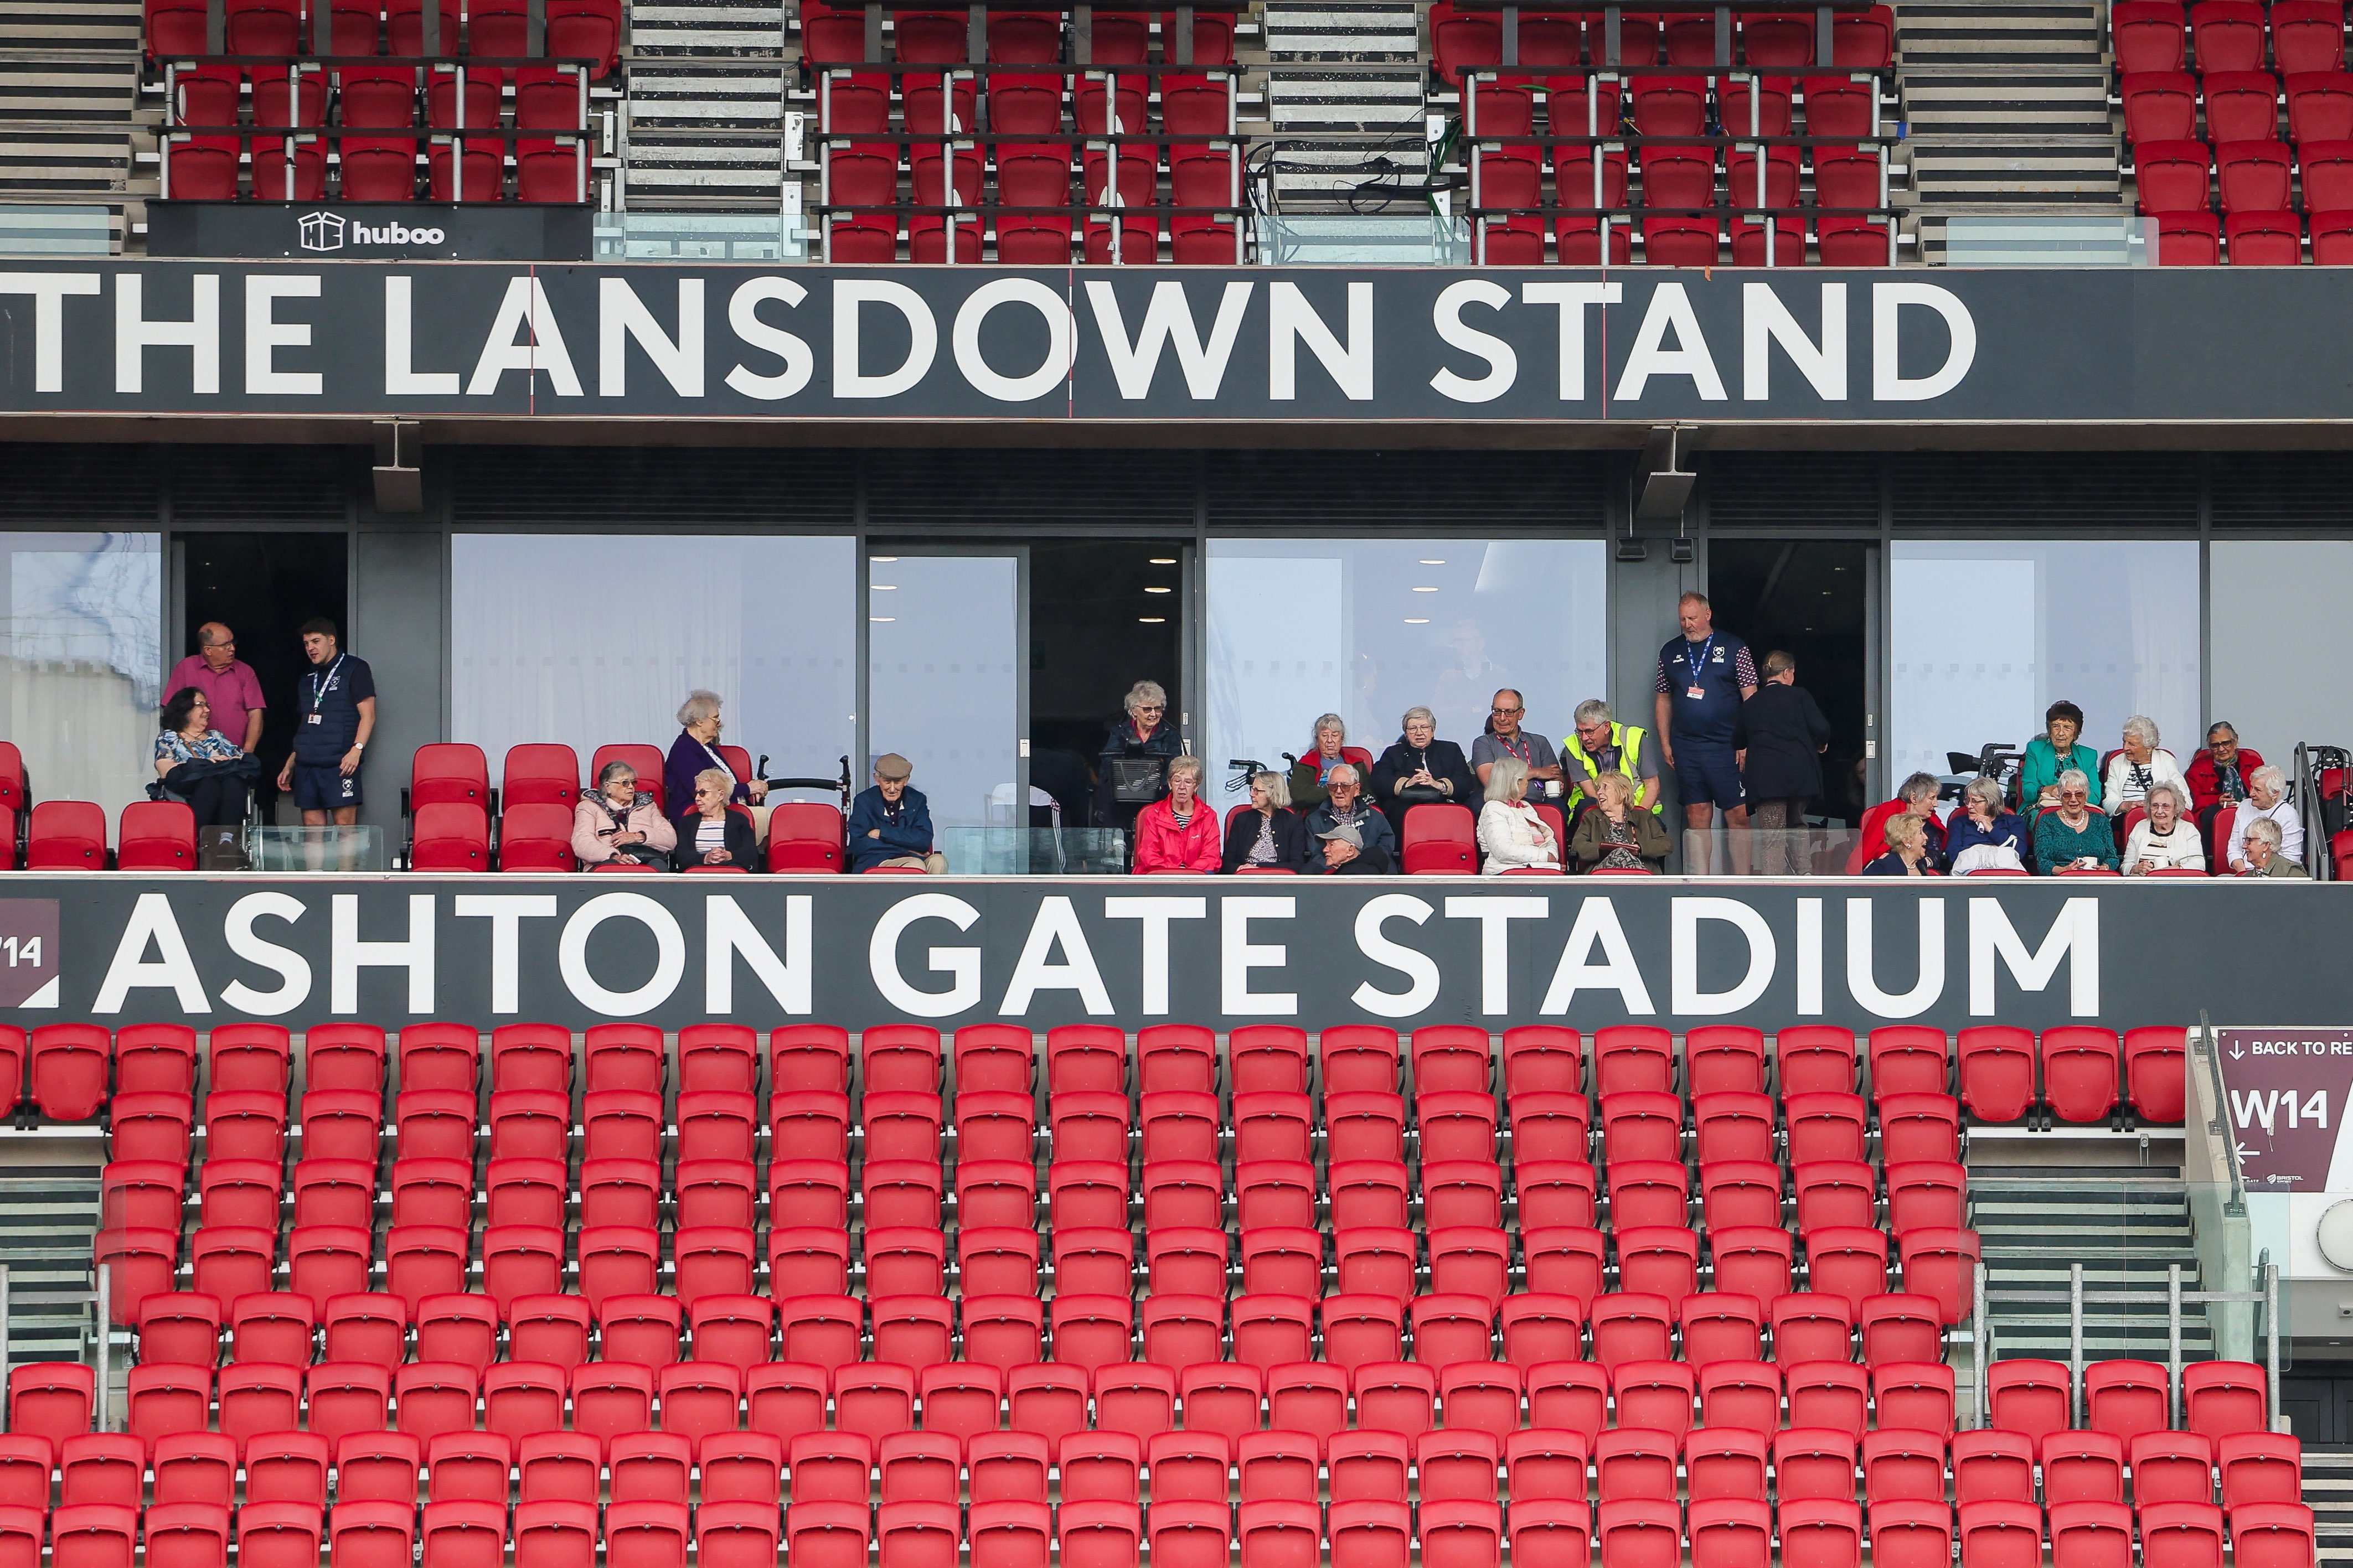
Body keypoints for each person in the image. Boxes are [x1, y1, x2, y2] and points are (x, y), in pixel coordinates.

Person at [1653, 591, 1758, 870]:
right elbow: (1663, 699)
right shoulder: (1670, 651)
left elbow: (1751, 698)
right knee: (1697, 814)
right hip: (1687, 746)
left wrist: (1747, 741)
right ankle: (1701, 881)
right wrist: (1665, 743)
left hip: (1728, 746)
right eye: (1683, 620)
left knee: (1739, 815)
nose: (1688, 625)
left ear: (1708, 615)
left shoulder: (1735, 647)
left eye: (1693, 618)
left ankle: (1743, 881)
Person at [1738, 651, 1830, 876]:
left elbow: (1737, 739)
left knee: (1773, 834)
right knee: (1798, 825)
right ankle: (1804, 875)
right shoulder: (1800, 696)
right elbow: (1821, 728)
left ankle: (1774, 883)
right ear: (1787, 673)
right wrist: (1821, 743)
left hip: (1766, 778)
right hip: (1799, 773)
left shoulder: (1751, 703)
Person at [274, 618, 374, 827]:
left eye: (316, 641)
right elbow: (306, 725)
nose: (310, 648)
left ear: (332, 640)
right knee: (312, 832)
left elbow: (368, 715)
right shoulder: (307, 678)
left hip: (340, 764)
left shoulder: (355, 668)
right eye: (306, 644)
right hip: (307, 766)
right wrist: (290, 763)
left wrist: (356, 750)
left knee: (345, 830)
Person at [1369, 706, 1477, 840]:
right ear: (1406, 733)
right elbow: (1379, 780)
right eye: (1413, 728)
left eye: (1424, 727)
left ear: (1433, 730)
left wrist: (1439, 785)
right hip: (1403, 807)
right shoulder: (1393, 753)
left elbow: (1465, 780)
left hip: (1444, 803)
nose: (1419, 733)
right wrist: (1407, 783)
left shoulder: (1451, 749)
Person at [154, 687, 256, 826]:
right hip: (190, 795)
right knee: (210, 784)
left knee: (235, 781)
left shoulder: (216, 736)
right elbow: (166, 770)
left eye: (207, 705)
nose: (207, 710)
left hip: (227, 789)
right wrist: (212, 765)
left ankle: (228, 837)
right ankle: (196, 836)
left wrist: (212, 767)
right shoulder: (169, 737)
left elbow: (243, 762)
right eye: (200, 705)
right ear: (184, 708)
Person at [665, 691, 767, 824]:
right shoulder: (683, 750)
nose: (719, 724)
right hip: (702, 818)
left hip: (730, 811)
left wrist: (754, 788)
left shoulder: (707, 747)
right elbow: (707, 791)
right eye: (715, 718)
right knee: (780, 819)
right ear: (699, 721)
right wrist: (749, 788)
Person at [163, 622, 265, 753]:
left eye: (233, 642)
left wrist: (248, 751)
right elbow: (171, 711)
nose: (232, 648)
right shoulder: (185, 668)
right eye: (226, 645)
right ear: (208, 650)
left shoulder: (245, 672)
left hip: (236, 756)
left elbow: (255, 713)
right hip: (194, 755)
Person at [1100, 679, 1184, 834]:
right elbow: (1108, 761)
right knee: (1107, 783)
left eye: (1158, 709)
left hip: (1157, 792)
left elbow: (1175, 765)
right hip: (1124, 791)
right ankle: (1115, 837)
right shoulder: (1120, 731)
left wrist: (1161, 780)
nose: (1153, 714)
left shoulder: (1171, 734)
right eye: (1147, 709)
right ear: (1134, 711)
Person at [849, 753, 948, 874]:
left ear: (906, 780)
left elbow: (924, 840)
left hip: (914, 858)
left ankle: (932, 888)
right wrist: (907, 850)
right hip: (876, 861)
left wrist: (882, 834)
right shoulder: (864, 801)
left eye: (897, 782)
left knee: (939, 861)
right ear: (877, 779)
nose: (892, 789)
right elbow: (858, 845)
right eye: (887, 782)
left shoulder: (917, 800)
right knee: (915, 865)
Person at [1561, 698, 1661, 815]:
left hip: (1637, 808)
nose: (1584, 738)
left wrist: (1638, 818)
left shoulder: (1634, 738)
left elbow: (1652, 786)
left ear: (1607, 727)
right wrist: (1615, 817)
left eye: (1589, 732)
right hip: (1597, 810)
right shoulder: (1573, 744)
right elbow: (1590, 792)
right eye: (1579, 731)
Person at [572, 759, 677, 868]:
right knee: (611, 868)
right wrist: (613, 856)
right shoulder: (588, 807)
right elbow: (582, 843)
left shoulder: (648, 806)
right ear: (608, 787)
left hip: (644, 861)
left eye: (633, 782)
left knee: (658, 867)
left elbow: (670, 838)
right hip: (605, 863)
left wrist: (639, 837)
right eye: (625, 783)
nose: (631, 787)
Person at [1131, 753, 1221, 873]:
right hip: (1161, 876)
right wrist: (1175, 873)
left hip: (1196, 878)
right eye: (1177, 781)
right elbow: (1149, 854)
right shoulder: (1154, 814)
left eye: (1188, 782)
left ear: (1196, 786)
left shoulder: (1209, 816)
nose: (1182, 787)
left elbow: (1211, 857)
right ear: (1170, 784)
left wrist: (1188, 875)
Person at [1571, 770, 1672, 872]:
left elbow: (1666, 844)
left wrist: (1639, 848)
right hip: (1604, 872)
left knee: (1622, 853)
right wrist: (1606, 849)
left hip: (1640, 870)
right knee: (1619, 853)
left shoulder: (1644, 817)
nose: (1599, 792)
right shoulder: (1591, 817)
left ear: (1622, 792)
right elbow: (1578, 846)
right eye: (1598, 789)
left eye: (1605, 787)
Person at [1305, 763, 1397, 874]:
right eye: (1333, 786)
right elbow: (1317, 856)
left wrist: (1361, 866)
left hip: (1368, 874)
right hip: (1331, 876)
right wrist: (1343, 871)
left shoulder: (1375, 818)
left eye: (1345, 786)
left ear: (1357, 789)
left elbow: (1385, 848)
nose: (1339, 791)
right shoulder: (1314, 820)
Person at [1477, 755, 1562, 873]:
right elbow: (1504, 851)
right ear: (1515, 782)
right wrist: (1546, 857)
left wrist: (1551, 856)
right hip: (1506, 874)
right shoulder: (1492, 809)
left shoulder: (1525, 806)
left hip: (1538, 871)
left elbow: (1549, 839)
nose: (1527, 782)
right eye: (1525, 777)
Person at [1472, 689, 1562, 797]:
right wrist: (1536, 773)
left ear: (1521, 714)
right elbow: (1491, 782)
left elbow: (1556, 775)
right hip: (1502, 802)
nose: (1502, 718)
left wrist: (1560, 785)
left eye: (1509, 712)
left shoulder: (1540, 742)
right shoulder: (1483, 743)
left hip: (1541, 802)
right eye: (1497, 711)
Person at [2018, 700, 2102, 811]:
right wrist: (2046, 789)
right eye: (2056, 726)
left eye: (2067, 727)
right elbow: (2028, 791)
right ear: (2049, 729)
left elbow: (2095, 796)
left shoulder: (2089, 755)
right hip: (2042, 808)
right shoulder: (2035, 750)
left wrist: (2071, 797)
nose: (2061, 733)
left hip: (2078, 808)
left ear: (2076, 732)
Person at [1222, 769, 1311, 873]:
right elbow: (1226, 863)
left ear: (1272, 794)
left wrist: (1258, 867)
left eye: (1257, 790)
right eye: (1252, 789)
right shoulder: (1241, 819)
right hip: (1245, 878)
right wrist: (1241, 869)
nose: (1251, 794)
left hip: (1279, 880)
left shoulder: (1293, 822)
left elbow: (1296, 865)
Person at [2102, 716, 2189, 820]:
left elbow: (2186, 802)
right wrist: (2125, 805)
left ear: (2148, 748)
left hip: (2160, 816)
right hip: (2128, 818)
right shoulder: (2117, 763)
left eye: (2132, 744)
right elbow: (2108, 803)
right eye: (2124, 742)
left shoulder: (2166, 761)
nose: (2125, 748)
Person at [673, 767, 760, 871]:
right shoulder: (687, 822)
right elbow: (682, 855)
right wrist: (706, 858)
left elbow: (750, 853)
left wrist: (729, 856)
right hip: (698, 875)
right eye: (696, 794)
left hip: (731, 873)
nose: (697, 798)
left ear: (721, 795)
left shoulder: (739, 820)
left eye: (703, 793)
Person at [2033, 769, 2118, 873]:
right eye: (2067, 795)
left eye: (2079, 794)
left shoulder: (2101, 821)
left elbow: (2112, 858)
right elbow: (2043, 862)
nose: (2073, 799)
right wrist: (2064, 871)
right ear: (2060, 797)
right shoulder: (2047, 821)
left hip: (2096, 878)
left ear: (2086, 796)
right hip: (2061, 879)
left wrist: (2104, 868)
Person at [2226, 763, 2304, 873]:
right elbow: (2234, 848)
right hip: (2244, 873)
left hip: (2276, 875)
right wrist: (2244, 875)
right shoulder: (2244, 806)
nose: (2251, 793)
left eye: (2257, 790)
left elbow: (2291, 858)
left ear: (2275, 793)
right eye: (2252, 787)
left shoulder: (2287, 814)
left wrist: (2261, 875)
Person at [1945, 775, 2029, 873]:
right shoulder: (1959, 823)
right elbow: (1953, 855)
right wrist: (1986, 852)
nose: (1969, 806)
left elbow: (2019, 852)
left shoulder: (2014, 822)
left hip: (2007, 875)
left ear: (1991, 803)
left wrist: (1991, 829)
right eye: (1968, 801)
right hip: (1971, 875)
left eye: (1975, 801)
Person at [1288, 713, 1365, 813]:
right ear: (1317, 740)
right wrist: (1337, 791)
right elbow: (1299, 794)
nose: (1330, 740)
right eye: (1325, 736)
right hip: (1317, 814)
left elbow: (1369, 794)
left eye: (1335, 735)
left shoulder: (1357, 765)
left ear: (1342, 739)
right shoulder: (1305, 765)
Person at [2124, 780, 2205, 874]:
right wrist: (2135, 868)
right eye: (2155, 806)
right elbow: (2125, 866)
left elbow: (2199, 863)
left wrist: (2176, 869)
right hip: (2143, 881)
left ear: (2176, 809)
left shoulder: (2188, 830)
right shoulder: (2140, 827)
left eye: (2165, 806)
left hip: (2177, 880)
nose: (2159, 811)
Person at [2187, 722, 2264, 815]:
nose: (2221, 749)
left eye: (2226, 743)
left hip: (2253, 811)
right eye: (2215, 745)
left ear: (2235, 742)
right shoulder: (2197, 770)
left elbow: (2265, 792)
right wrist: (2217, 800)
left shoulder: (2254, 763)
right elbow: (2194, 801)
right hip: (2216, 815)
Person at [1888, 772, 1950, 869]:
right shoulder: (1887, 816)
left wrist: (1920, 865)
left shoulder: (1931, 826)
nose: (1936, 804)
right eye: (1932, 798)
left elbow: (1935, 857)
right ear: (1914, 799)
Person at [1862, 812, 1938, 877]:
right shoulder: (1883, 867)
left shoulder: (1921, 864)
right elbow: (1861, 887)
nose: (1926, 837)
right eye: (1920, 833)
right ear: (1906, 842)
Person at [2239, 816, 2309, 878]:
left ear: (2266, 845)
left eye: (2249, 840)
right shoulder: (2246, 878)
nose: (2244, 846)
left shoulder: (2290, 873)